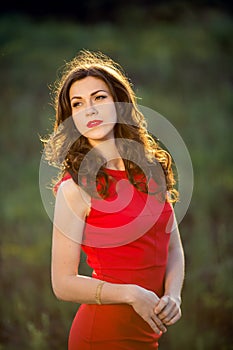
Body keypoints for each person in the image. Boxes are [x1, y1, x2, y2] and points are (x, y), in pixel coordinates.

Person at [44, 50, 185, 349]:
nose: (89, 110)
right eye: (78, 104)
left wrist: (173, 295)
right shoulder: (75, 188)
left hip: (148, 335)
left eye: (99, 98)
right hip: (102, 334)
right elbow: (63, 283)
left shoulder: (152, 169)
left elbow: (173, 247)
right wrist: (131, 294)